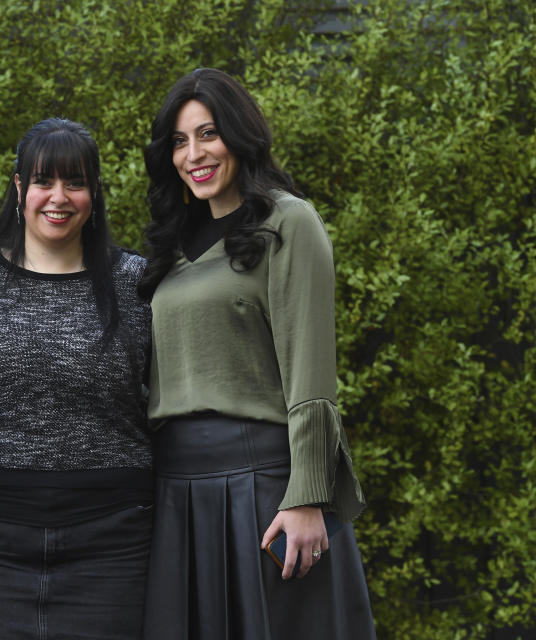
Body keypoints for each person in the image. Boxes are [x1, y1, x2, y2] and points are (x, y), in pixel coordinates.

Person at [138, 68, 377, 639]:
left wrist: (308, 496)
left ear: (240, 136)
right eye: (178, 140)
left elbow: (311, 371)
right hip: (175, 491)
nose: (192, 154)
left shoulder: (289, 221)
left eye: (207, 134)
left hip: (266, 486)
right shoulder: (168, 250)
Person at [0, 118, 154, 639]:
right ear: (17, 188)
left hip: (114, 540)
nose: (58, 197)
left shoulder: (138, 286)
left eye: (75, 183)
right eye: (43, 181)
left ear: (94, 193)